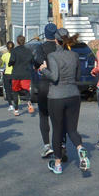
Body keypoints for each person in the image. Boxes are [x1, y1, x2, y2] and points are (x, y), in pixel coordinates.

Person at [38, 28, 90, 175]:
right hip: (74, 95)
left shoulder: (53, 56)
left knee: (57, 130)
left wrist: (43, 70)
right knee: (72, 129)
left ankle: (58, 164)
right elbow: (78, 76)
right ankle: (80, 148)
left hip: (57, 96)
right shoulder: (74, 55)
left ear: (56, 40)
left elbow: (54, 77)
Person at [32, 24, 59, 158]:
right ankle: (60, 144)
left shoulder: (41, 47)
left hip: (44, 84)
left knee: (44, 116)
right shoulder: (60, 47)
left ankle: (47, 145)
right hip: (58, 84)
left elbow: (36, 62)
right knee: (58, 117)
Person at [8, 35, 36, 115]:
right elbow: (32, 61)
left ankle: (16, 110)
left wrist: (10, 64)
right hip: (26, 73)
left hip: (16, 73)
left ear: (17, 41)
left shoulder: (14, 51)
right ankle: (29, 101)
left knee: (15, 92)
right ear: (24, 41)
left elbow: (12, 60)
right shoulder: (28, 51)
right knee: (26, 90)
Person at [1, 41, 15, 111]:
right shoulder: (16, 54)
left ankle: (10, 105)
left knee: (7, 90)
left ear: (7, 47)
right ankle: (16, 103)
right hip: (14, 73)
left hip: (7, 73)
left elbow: (1, 64)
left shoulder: (5, 55)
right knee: (15, 89)